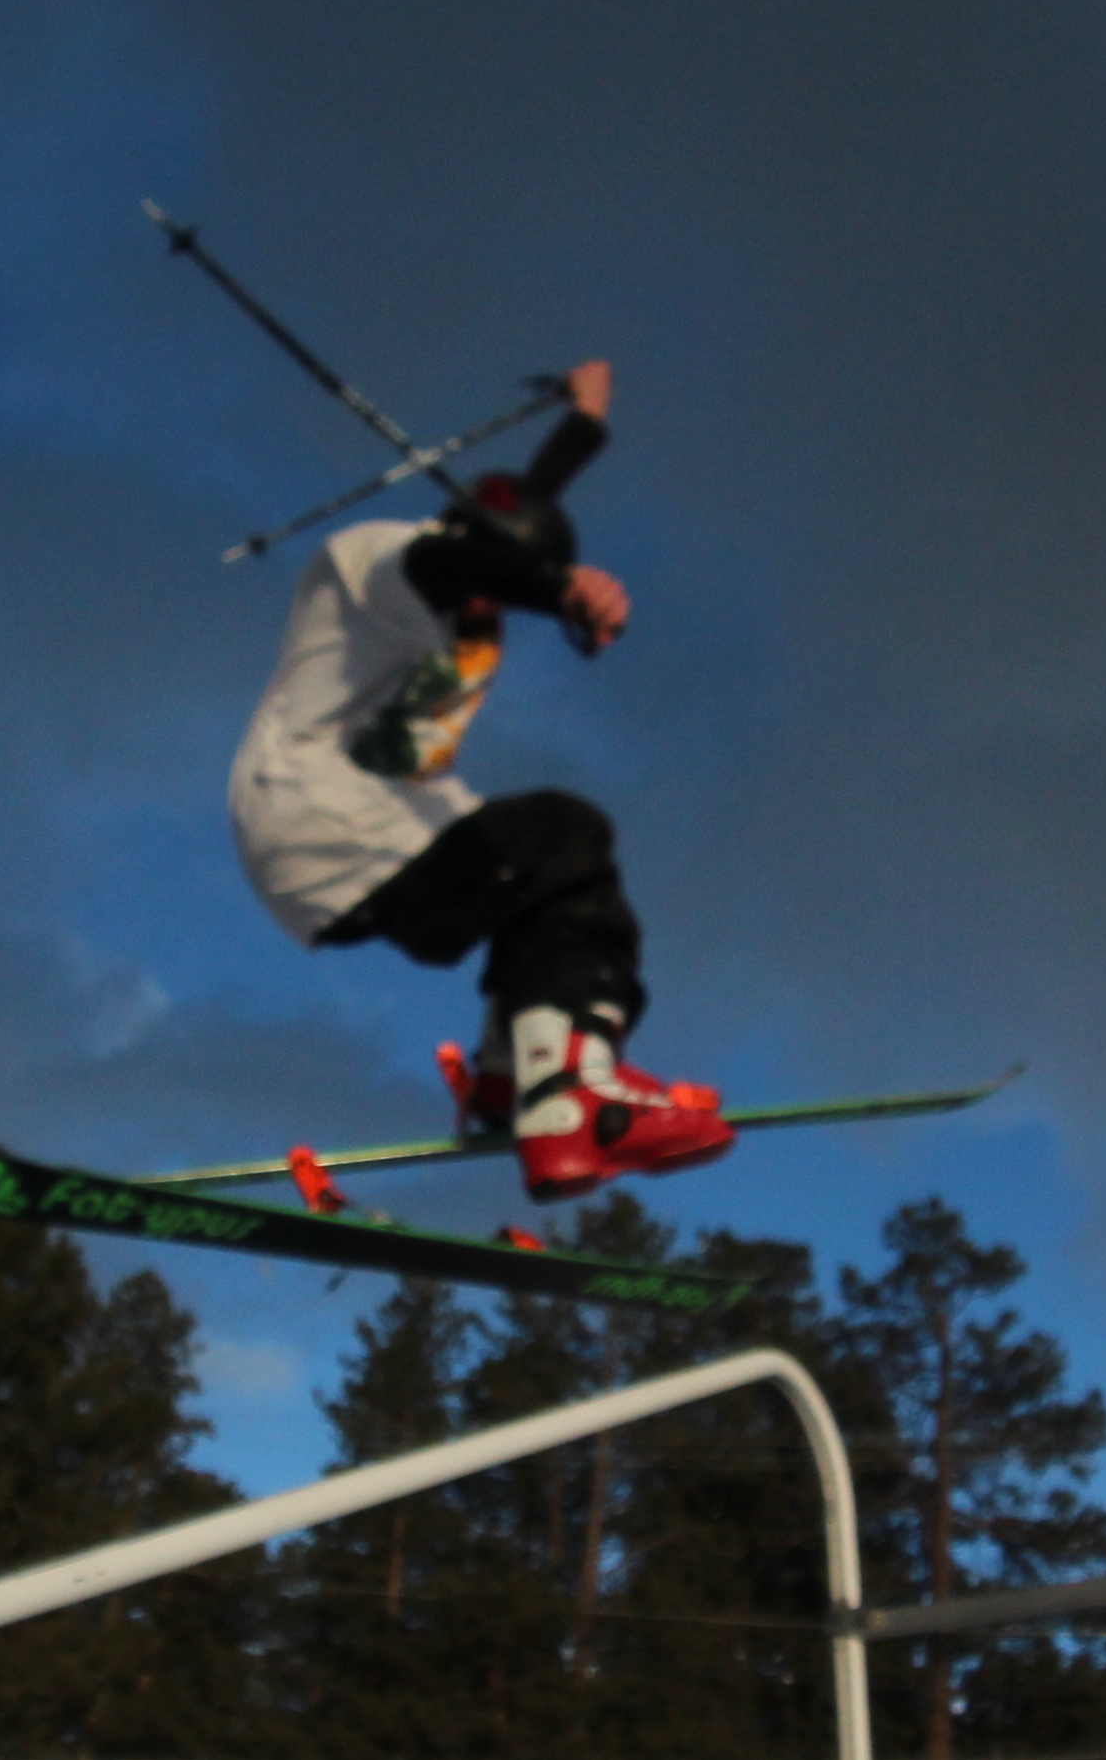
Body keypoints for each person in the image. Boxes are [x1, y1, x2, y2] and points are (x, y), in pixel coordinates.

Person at [226, 364, 734, 1198]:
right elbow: (455, 559)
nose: (481, 622)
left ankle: (512, 1080)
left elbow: (522, 506)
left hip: (384, 830)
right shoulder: (375, 563)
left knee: (562, 886)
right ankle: (564, 1101)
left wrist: (588, 419)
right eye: (485, 603)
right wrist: (558, 588)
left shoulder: (476, 581)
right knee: (558, 835)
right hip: (310, 809)